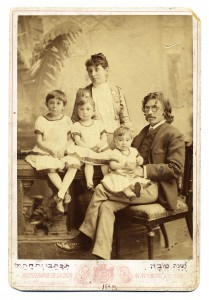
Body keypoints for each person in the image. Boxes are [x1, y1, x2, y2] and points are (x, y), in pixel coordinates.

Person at [56, 92, 185, 260]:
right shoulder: (144, 131)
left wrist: (142, 170)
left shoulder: (173, 134)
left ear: (165, 110)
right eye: (147, 108)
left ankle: (84, 237)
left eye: (155, 107)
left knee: (101, 189)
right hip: (133, 184)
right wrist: (98, 148)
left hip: (155, 188)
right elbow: (123, 149)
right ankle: (102, 256)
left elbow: (176, 169)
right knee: (106, 206)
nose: (150, 112)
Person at [25, 90, 80, 213]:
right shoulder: (41, 120)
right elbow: (39, 141)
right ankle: (64, 194)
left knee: (74, 163)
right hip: (46, 150)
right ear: (46, 104)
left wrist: (63, 149)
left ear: (64, 106)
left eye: (58, 103)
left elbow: (70, 139)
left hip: (62, 149)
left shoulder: (66, 120)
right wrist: (50, 150)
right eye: (51, 103)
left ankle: (59, 196)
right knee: (49, 164)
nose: (55, 106)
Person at [71, 53, 132, 148]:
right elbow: (75, 119)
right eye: (90, 71)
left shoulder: (117, 92)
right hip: (92, 138)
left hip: (115, 138)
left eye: (97, 70)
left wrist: (126, 138)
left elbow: (125, 118)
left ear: (106, 70)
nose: (93, 74)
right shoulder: (83, 93)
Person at [65, 92, 110, 191]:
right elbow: (77, 140)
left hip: (99, 148)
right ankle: (90, 184)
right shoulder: (77, 125)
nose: (84, 112)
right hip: (85, 148)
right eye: (81, 109)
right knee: (89, 163)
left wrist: (99, 145)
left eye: (88, 109)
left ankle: (108, 180)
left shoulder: (98, 124)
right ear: (77, 111)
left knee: (105, 163)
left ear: (93, 111)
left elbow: (104, 137)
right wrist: (88, 148)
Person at [101, 126, 156, 199]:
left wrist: (140, 160)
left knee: (138, 181)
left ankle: (136, 189)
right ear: (114, 141)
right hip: (120, 174)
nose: (124, 143)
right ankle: (128, 193)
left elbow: (139, 160)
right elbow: (112, 165)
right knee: (122, 183)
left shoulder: (133, 151)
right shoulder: (114, 153)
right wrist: (123, 164)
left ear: (131, 141)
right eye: (120, 140)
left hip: (132, 174)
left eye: (127, 140)